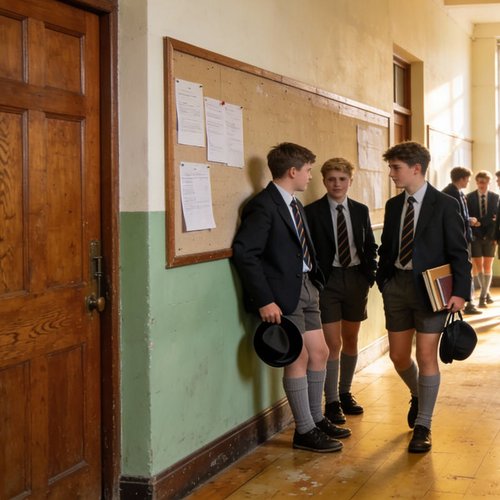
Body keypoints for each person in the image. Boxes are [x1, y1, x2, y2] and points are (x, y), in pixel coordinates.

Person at [232, 142, 351, 453]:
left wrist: (316, 281)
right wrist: (264, 300)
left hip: (308, 287)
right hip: (282, 294)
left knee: (320, 352)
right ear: (292, 171)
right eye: (308, 171)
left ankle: (317, 418)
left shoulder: (294, 204)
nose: (311, 177)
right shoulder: (263, 205)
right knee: (298, 358)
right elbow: (245, 253)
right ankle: (305, 430)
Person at [376, 141, 470, 453]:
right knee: (399, 356)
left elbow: (459, 252)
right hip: (397, 287)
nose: (392, 173)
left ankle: (423, 425)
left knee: (427, 355)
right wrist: (383, 280)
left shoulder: (444, 204)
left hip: (432, 289)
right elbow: (387, 248)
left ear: (416, 168)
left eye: (396, 168)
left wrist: (460, 292)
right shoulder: (394, 206)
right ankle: (418, 394)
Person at [305, 158, 377, 425]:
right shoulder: (312, 212)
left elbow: (369, 244)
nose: (337, 184)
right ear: (324, 181)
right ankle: (332, 400)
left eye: (342, 179)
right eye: (331, 179)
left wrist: (370, 274)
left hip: (356, 279)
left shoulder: (360, 210)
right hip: (328, 282)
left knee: (351, 339)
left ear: (350, 181)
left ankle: (345, 392)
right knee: (331, 343)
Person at [442, 167, 481, 315]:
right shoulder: (448, 194)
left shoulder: (459, 193)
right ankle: (467, 302)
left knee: (466, 268)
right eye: (468, 179)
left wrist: (468, 220)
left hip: (464, 237)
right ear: (462, 178)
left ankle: (469, 302)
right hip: (457, 240)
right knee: (463, 269)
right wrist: (468, 220)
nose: (468, 182)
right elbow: (452, 219)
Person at [466, 170, 499, 307]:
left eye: (484, 182)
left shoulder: (495, 197)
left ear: (489, 183)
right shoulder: (469, 197)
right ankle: (485, 294)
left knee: (488, 266)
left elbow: (494, 217)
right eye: (479, 182)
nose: (481, 185)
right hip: (475, 236)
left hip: (491, 237)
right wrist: (481, 223)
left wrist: (479, 222)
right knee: (478, 266)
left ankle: (482, 297)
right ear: (476, 182)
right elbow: (468, 216)